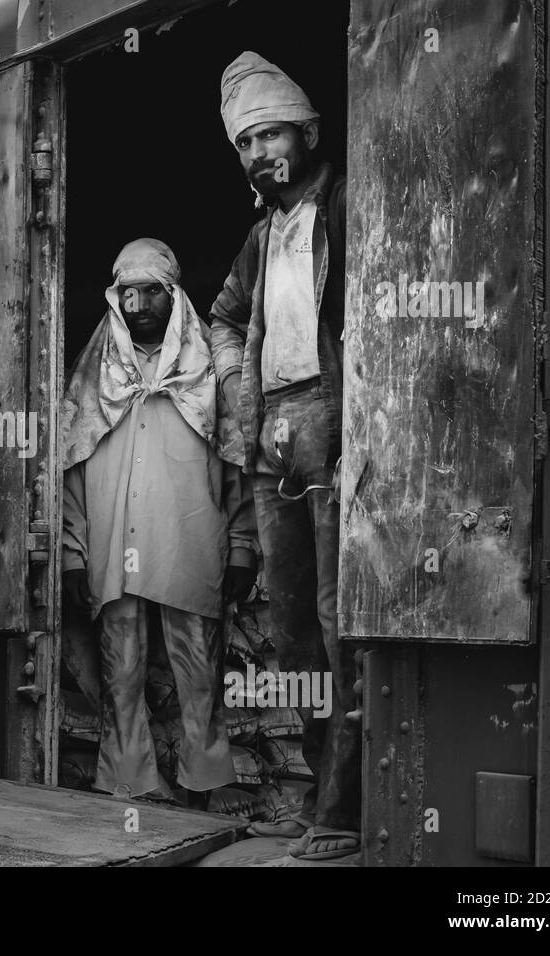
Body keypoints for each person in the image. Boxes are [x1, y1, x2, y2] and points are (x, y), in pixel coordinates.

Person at [207, 51, 360, 859]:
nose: (262, 152)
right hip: (276, 436)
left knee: (342, 624)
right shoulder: (261, 236)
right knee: (296, 632)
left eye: (273, 135)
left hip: (337, 425)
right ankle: (317, 795)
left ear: (307, 132)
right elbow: (225, 318)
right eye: (247, 142)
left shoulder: (348, 201)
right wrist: (246, 396)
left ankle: (346, 810)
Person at [60, 238, 257, 808]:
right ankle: (129, 781)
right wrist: (72, 550)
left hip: (188, 541)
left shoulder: (205, 375)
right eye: (128, 292)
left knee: (200, 669)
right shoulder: (95, 378)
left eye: (152, 291)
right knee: (121, 670)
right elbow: (71, 468)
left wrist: (242, 545)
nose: (139, 303)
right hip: (113, 544)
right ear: (114, 298)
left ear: (174, 296)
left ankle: (208, 782)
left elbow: (234, 463)